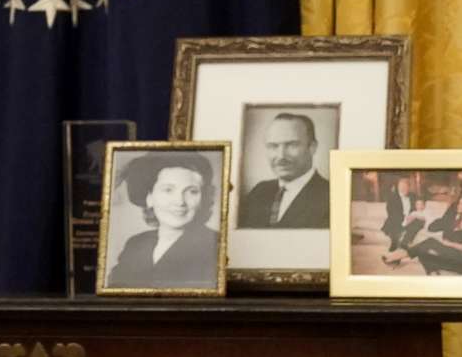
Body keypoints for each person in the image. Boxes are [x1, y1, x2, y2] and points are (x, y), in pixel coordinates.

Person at [106, 151, 221, 288]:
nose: (180, 202)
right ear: (149, 197)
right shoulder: (136, 244)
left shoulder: (215, 245)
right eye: (168, 190)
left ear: (203, 199)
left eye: (192, 191)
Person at [235, 112, 329, 229]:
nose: (281, 156)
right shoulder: (258, 192)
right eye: (273, 146)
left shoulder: (330, 195)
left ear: (312, 147)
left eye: (291, 145)